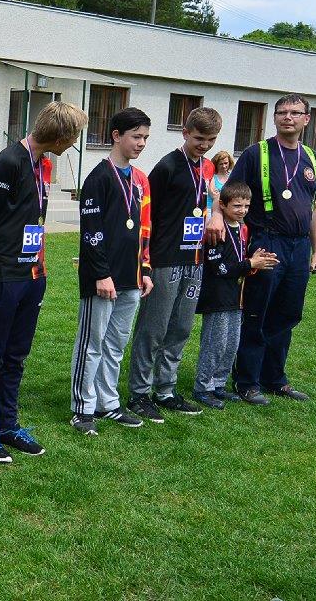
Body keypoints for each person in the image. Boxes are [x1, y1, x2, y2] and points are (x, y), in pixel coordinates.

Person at [0, 102, 87, 463]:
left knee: (16, 356)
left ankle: (8, 424)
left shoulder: (42, 163)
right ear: (60, 136)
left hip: (33, 274)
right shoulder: (8, 162)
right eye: (73, 136)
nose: (74, 143)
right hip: (3, 275)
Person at [205, 93, 316, 405]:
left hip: (299, 246)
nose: (288, 117)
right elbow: (226, 194)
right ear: (275, 118)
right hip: (267, 241)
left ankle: (275, 379)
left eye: (295, 112)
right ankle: (247, 381)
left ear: (306, 119)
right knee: (258, 311)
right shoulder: (255, 153)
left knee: (288, 313)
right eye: (282, 112)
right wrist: (216, 216)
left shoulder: (312, 159)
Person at [126, 107, 220, 422]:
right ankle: (139, 393)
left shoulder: (207, 167)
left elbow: (208, 201)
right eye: (199, 138)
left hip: (195, 258)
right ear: (185, 133)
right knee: (153, 329)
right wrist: (146, 261)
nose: (204, 145)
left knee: (181, 328)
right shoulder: (167, 167)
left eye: (210, 140)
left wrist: (217, 215)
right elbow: (147, 216)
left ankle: (166, 390)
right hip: (166, 259)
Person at [69, 107, 154, 436]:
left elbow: (140, 230)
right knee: (91, 344)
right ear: (116, 136)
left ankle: (108, 402)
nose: (141, 143)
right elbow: (91, 233)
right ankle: (82, 407)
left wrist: (144, 270)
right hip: (102, 279)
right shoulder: (98, 178)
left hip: (131, 278)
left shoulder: (137, 179)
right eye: (136, 136)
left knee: (116, 344)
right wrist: (101, 274)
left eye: (145, 137)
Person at [193, 181, 280, 408]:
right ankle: (203, 387)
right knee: (215, 344)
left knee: (231, 344)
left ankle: (219, 384)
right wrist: (250, 263)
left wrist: (255, 262)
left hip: (236, 297)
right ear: (222, 205)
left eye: (246, 206)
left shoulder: (242, 229)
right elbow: (219, 268)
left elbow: (239, 263)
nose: (242, 210)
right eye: (237, 206)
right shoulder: (216, 230)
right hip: (217, 298)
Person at [207, 150, 233, 214]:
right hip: (211, 209)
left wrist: (220, 192)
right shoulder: (211, 176)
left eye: (226, 163)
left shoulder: (232, 176)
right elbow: (213, 195)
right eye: (221, 164)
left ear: (229, 163)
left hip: (226, 210)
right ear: (216, 165)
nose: (224, 166)